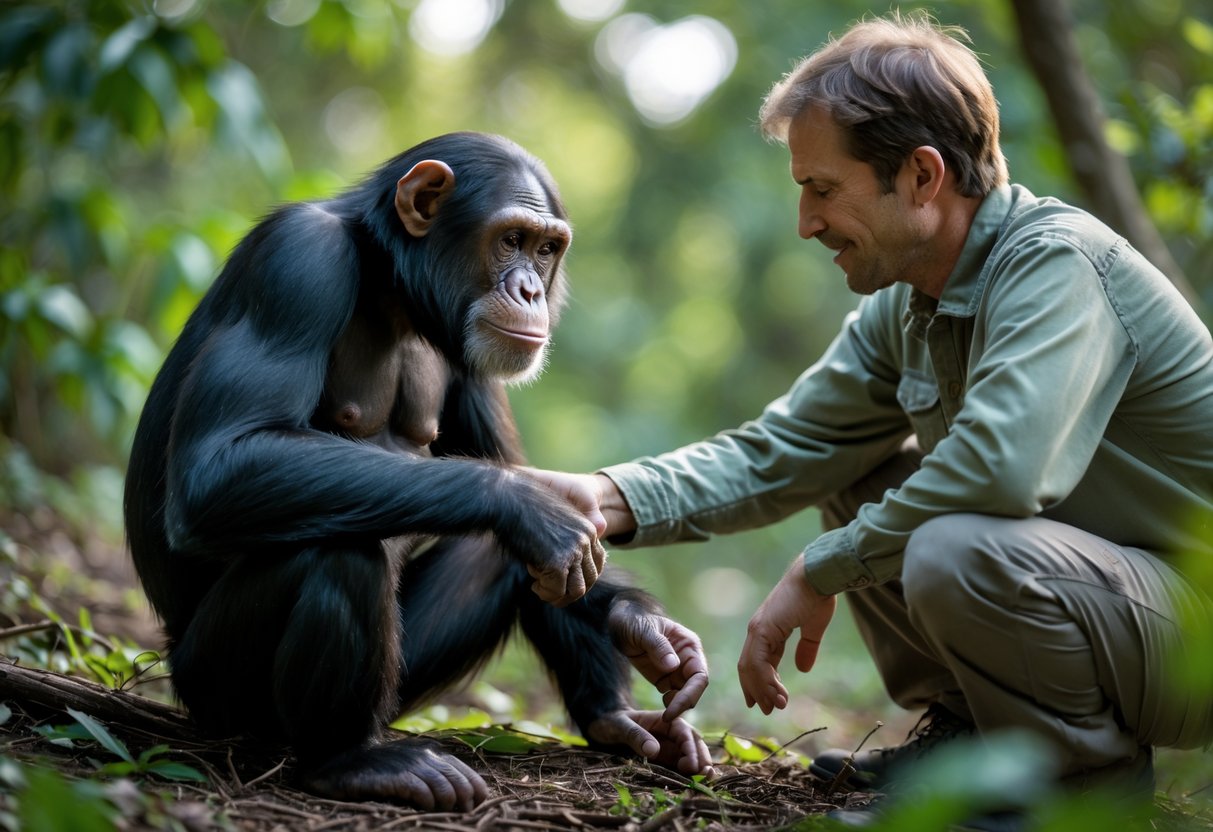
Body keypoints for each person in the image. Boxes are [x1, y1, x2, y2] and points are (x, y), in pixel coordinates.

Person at [531, 11, 1213, 830]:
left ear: (921, 177)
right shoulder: (911, 304)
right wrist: (601, 497)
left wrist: (820, 568)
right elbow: (789, 448)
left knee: (956, 545)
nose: (806, 223)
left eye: (823, 190)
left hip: (1193, 639)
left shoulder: (1056, 265)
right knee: (862, 476)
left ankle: (1078, 794)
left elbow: (1001, 471)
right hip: (1114, 607)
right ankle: (972, 743)